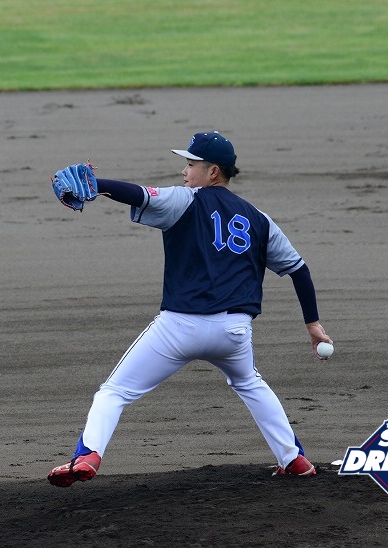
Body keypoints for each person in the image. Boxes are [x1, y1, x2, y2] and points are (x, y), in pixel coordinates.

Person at [48, 131, 333, 487]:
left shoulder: (185, 200)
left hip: (179, 329)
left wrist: (97, 184)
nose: (184, 171)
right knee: (249, 383)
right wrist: (313, 324)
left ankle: (88, 455)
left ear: (213, 171)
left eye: (191, 164)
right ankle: (293, 460)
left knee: (114, 392)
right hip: (234, 332)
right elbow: (299, 270)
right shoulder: (259, 219)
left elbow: (137, 193)